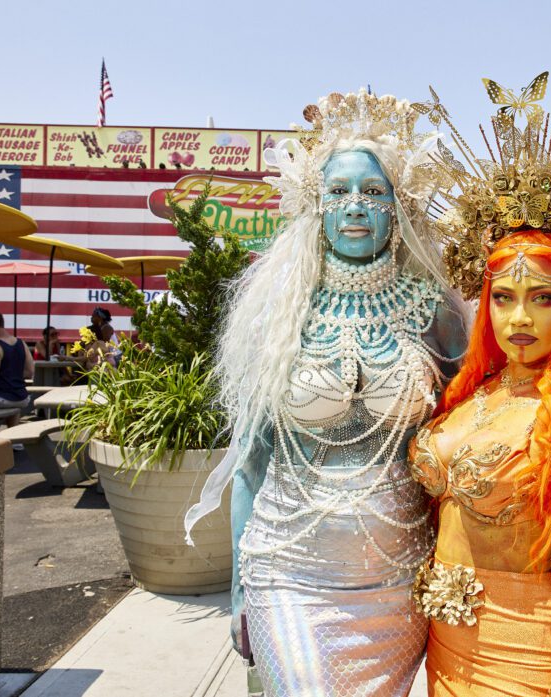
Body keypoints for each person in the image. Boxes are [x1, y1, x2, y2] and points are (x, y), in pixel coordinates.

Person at [184, 89, 465, 697]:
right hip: (287, 569)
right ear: (317, 204)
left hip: (400, 580)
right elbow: (252, 461)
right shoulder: (277, 311)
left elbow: (472, 434)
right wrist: (236, 584)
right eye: (339, 192)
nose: (356, 206)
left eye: (373, 191)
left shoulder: (439, 314)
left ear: (399, 207)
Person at [410, 231, 551, 696]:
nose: (519, 317)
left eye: (543, 298)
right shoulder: (474, 394)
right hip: (443, 646)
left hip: (523, 654)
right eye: (502, 297)